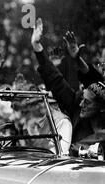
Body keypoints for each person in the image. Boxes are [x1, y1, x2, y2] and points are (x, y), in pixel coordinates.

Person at [31, 18, 105, 155]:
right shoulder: (77, 106)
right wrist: (37, 48)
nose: (82, 104)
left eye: (87, 102)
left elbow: (99, 86)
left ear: (100, 107)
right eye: (82, 99)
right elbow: (57, 81)